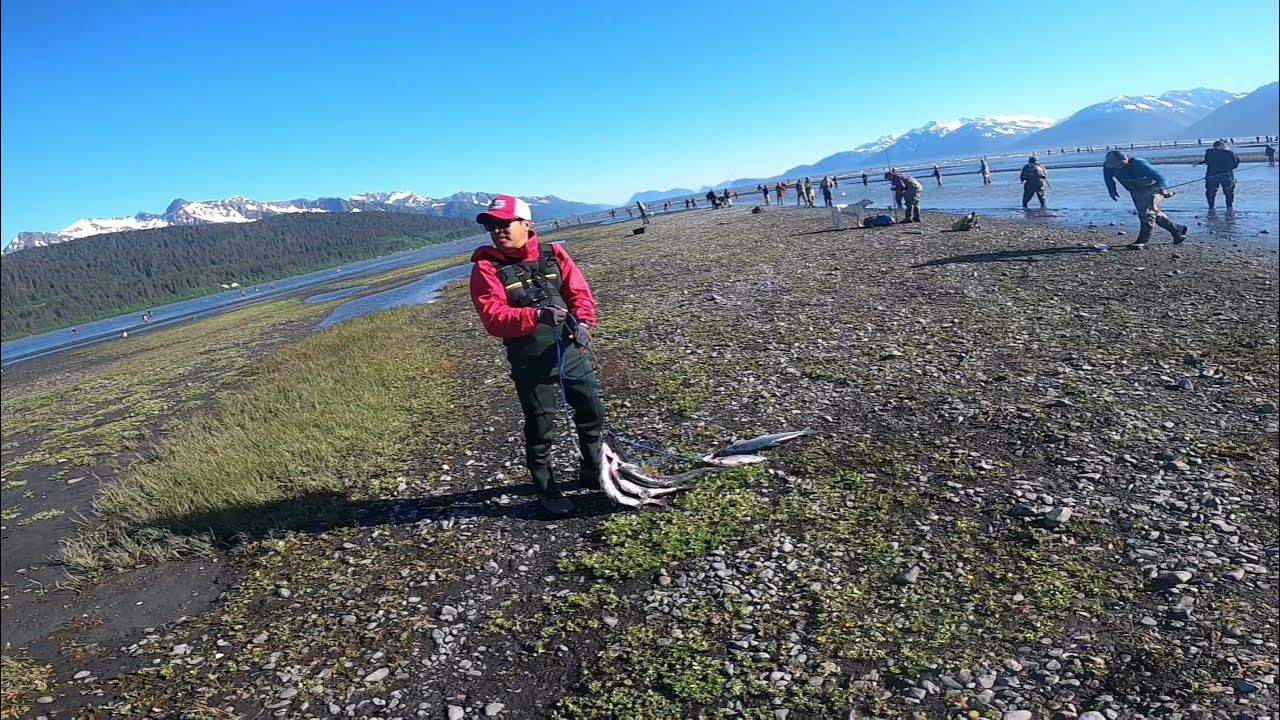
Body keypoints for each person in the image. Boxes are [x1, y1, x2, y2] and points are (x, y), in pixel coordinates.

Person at [468, 195, 603, 515]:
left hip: (571, 350)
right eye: (491, 225)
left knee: (592, 409)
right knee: (542, 425)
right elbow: (493, 318)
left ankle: (593, 467)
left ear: (526, 224)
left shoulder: (555, 254)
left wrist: (584, 323)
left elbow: (579, 294)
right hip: (530, 360)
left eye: (504, 223)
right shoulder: (486, 268)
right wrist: (535, 317)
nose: (496, 230)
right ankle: (546, 487)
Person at [1103, 151, 1188, 248]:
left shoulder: (1139, 163)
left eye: (1119, 164)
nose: (1117, 166)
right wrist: (1112, 191)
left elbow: (1160, 177)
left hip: (1153, 188)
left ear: (1125, 158)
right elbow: (1108, 178)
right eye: (1115, 165)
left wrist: (1164, 189)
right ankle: (1177, 230)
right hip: (1135, 190)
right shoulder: (1108, 166)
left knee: (1147, 213)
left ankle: (1143, 240)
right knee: (1154, 213)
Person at [1193, 140, 1239, 210]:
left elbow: (1207, 161)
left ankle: (1211, 207)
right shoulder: (1229, 153)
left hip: (1212, 176)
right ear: (1222, 146)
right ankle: (1229, 207)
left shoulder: (1209, 153)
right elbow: (1235, 164)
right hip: (1226, 176)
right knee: (1229, 192)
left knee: (1210, 192)